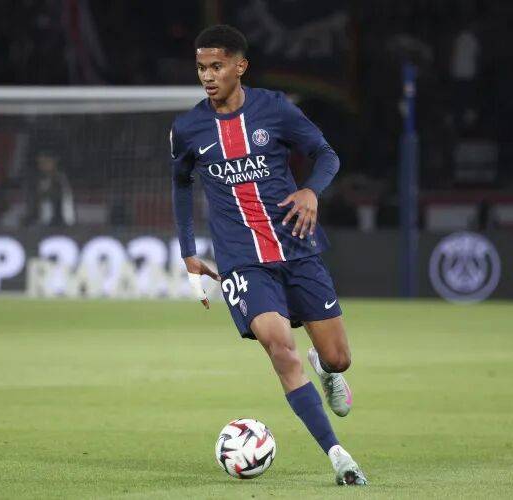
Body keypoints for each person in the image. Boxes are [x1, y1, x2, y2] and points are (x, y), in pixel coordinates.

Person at [170, 25, 367, 486]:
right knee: (280, 348)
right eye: (201, 68)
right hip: (242, 261)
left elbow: (326, 155)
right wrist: (188, 252)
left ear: (240, 66)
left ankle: (326, 370)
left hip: (296, 247)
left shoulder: (275, 109)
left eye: (217, 66)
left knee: (338, 358)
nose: (208, 76)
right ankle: (338, 455)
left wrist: (312, 191)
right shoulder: (188, 128)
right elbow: (180, 184)